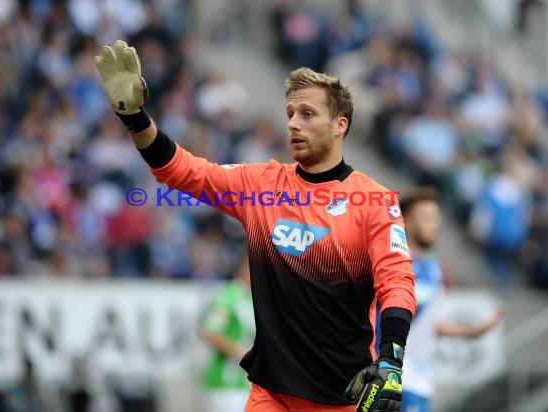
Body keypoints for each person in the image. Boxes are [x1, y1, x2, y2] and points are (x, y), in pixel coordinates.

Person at [94, 40, 416, 411]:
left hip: (343, 397)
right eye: (290, 113)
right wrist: (135, 119)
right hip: (271, 394)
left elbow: (397, 283)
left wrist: (392, 360)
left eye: (308, 114)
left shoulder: (374, 200)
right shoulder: (261, 186)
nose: (293, 123)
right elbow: (180, 170)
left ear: (339, 125)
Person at [397, 187, 504, 412]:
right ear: (407, 221)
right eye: (427, 217)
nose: (436, 224)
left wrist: (471, 332)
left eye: (437, 218)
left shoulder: (435, 269)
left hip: (420, 380)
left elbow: (426, 324)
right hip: (393, 378)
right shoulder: (394, 263)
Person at [200, 256, 255, 412]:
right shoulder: (230, 295)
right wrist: (241, 352)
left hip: (245, 383)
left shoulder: (253, 297)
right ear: (243, 269)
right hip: (225, 384)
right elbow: (210, 331)